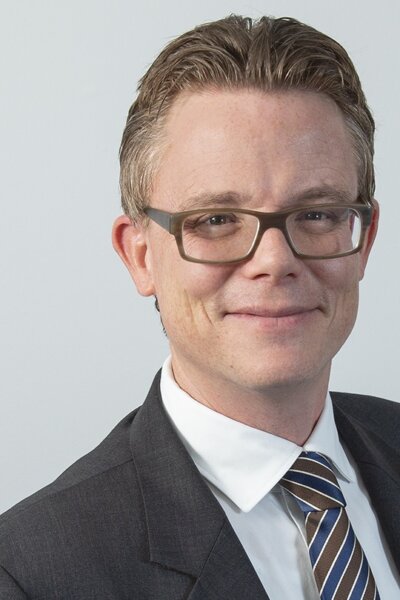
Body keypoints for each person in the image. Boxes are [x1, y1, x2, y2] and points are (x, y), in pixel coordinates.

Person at [0, 14, 399, 600]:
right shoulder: (33, 573)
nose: (274, 261)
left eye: (317, 214)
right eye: (215, 220)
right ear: (140, 256)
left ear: (363, 240)